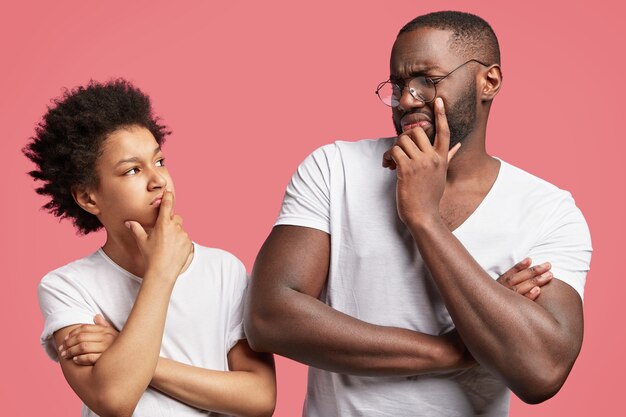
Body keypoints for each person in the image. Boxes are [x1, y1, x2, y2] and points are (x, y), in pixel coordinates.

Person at [245, 10, 591, 417]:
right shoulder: (333, 168)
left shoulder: (546, 210)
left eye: (427, 80)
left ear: (489, 81)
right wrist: (457, 350)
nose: (407, 99)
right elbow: (267, 317)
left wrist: (424, 219)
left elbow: (542, 373)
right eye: (398, 84)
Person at [24, 79, 276, 417]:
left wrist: (126, 353)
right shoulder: (67, 287)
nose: (158, 180)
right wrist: (160, 272)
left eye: (159, 161)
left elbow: (259, 398)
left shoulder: (223, 270)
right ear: (88, 197)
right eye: (132, 170)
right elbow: (114, 399)